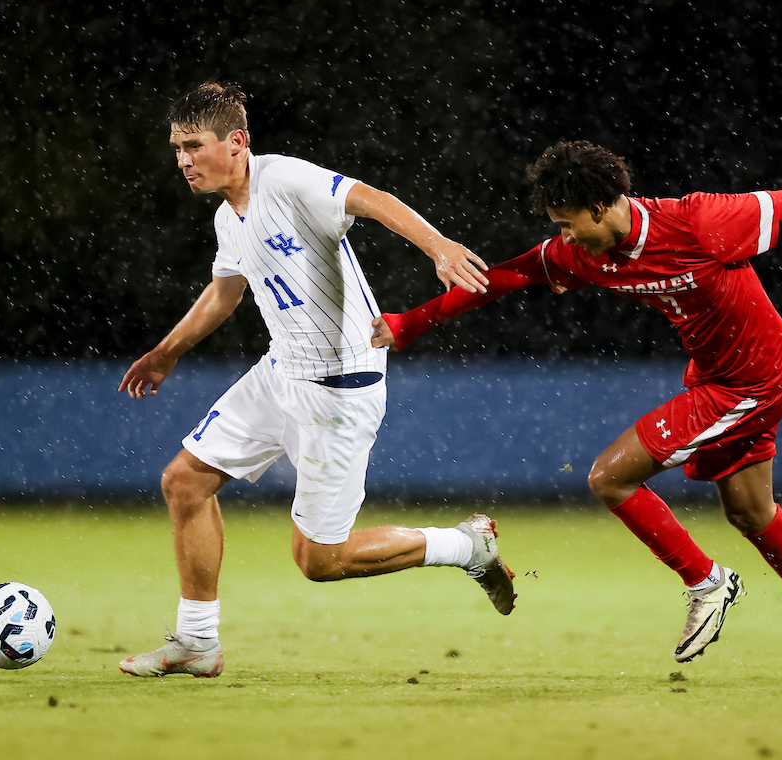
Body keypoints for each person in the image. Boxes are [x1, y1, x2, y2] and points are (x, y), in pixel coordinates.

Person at [371, 140, 782, 681]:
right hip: (718, 378)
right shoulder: (583, 253)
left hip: (751, 383)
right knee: (751, 512)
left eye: (567, 221)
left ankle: (706, 583)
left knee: (610, 478)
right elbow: (503, 279)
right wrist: (411, 322)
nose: (562, 235)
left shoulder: (698, 222)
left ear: (600, 207)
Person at [117, 82, 516, 678]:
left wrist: (438, 248)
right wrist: (166, 351)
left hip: (339, 386)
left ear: (236, 142)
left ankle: (464, 546)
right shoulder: (231, 217)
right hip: (283, 370)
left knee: (320, 561)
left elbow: (373, 199)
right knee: (185, 482)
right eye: (176, 148)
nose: (182, 160)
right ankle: (198, 643)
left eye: (192, 145)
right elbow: (226, 293)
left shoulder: (286, 179)